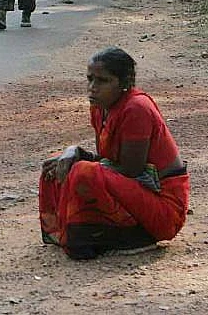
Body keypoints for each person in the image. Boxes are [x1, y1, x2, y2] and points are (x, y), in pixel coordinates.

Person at [39, 47, 190, 260]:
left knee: (82, 172)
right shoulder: (101, 107)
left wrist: (81, 161)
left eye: (102, 81)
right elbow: (110, 162)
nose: (92, 88)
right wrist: (75, 153)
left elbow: (130, 170)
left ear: (124, 83)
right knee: (56, 166)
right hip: (134, 189)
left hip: (163, 207)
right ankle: (92, 233)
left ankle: (133, 236)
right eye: (90, 79)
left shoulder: (136, 108)